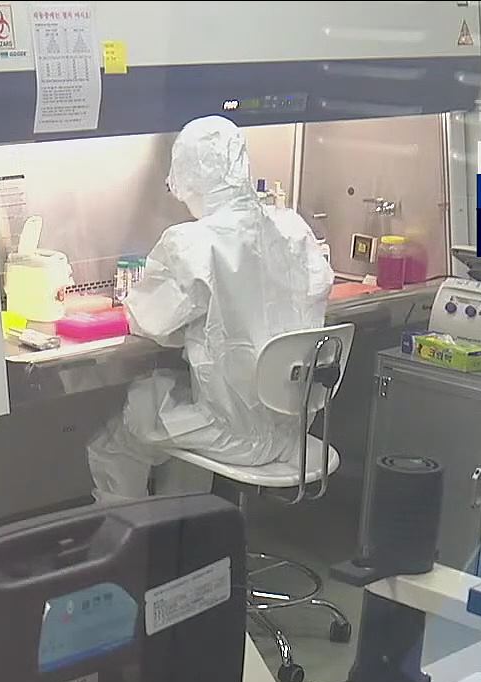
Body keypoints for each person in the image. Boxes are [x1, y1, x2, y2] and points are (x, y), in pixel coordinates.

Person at [86, 115, 335, 501]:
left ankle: (127, 533)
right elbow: (318, 288)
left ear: (189, 177)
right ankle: (190, 527)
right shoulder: (293, 229)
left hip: (232, 436)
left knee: (120, 436)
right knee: (181, 408)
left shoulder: (193, 244)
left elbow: (150, 322)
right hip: (293, 430)